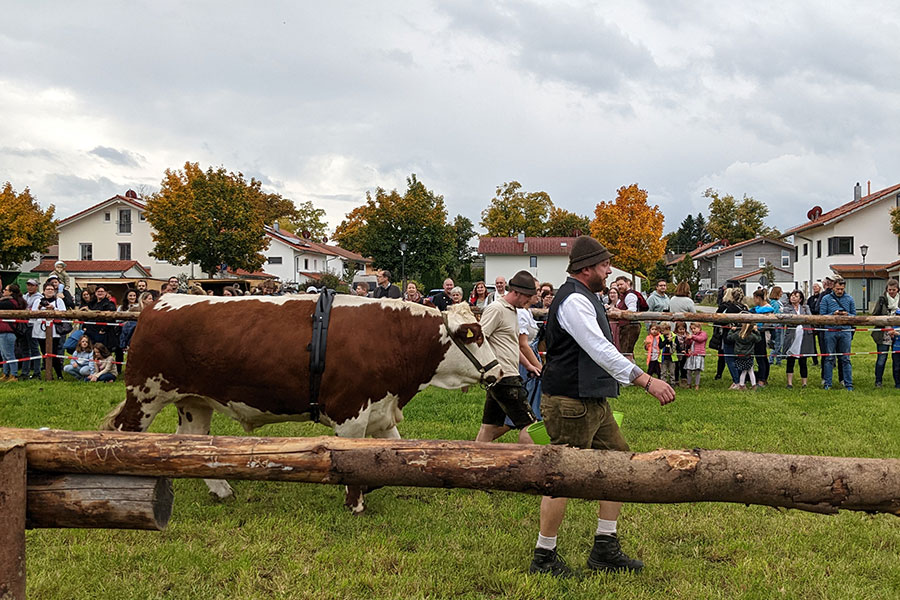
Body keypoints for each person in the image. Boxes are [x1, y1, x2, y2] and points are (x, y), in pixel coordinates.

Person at [530, 236, 674, 577]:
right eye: (605, 265)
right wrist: (646, 380)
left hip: (591, 401)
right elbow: (598, 348)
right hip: (569, 402)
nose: (609, 271)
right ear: (587, 268)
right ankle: (543, 557)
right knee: (561, 477)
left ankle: (605, 547)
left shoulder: (586, 297)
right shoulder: (574, 301)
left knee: (619, 466)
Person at [474, 271, 542, 444]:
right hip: (504, 378)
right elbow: (479, 338)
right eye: (527, 296)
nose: (529, 300)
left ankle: (474, 462)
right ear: (516, 292)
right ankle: (527, 468)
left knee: (488, 427)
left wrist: (528, 365)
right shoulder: (496, 309)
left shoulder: (513, 311)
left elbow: (511, 344)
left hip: (503, 376)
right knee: (530, 425)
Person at [819, 277, 856, 391]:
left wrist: (846, 315)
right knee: (829, 358)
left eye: (841, 289)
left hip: (845, 331)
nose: (840, 291)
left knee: (846, 358)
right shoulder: (826, 299)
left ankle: (848, 384)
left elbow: (854, 316)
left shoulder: (849, 299)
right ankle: (827, 383)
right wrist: (833, 314)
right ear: (833, 287)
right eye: (837, 289)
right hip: (830, 331)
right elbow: (822, 316)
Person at [31, 282, 66, 380]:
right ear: (44, 291)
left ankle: (59, 374)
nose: (50, 291)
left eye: (52, 289)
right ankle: (47, 373)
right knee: (44, 351)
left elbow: (63, 313)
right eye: (48, 289)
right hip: (40, 330)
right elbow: (33, 314)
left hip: (54, 330)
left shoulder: (58, 301)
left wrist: (53, 308)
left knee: (53, 352)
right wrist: (39, 307)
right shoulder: (38, 300)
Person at [870, 279, 899, 388]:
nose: (891, 292)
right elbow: (875, 315)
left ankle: (898, 383)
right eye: (889, 290)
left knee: (897, 360)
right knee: (882, 358)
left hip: (898, 332)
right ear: (886, 289)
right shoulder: (882, 300)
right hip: (884, 333)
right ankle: (878, 381)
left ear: (897, 290)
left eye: (894, 290)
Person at [782, 290, 814, 389]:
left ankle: (804, 383)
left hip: (804, 336)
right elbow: (789, 320)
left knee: (803, 361)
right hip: (792, 336)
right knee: (790, 360)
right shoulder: (787, 308)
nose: (793, 297)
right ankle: (789, 383)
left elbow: (809, 318)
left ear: (800, 299)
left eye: (796, 296)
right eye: (792, 296)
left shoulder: (805, 307)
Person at [0, 283, 26, 381]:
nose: (3, 291)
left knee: (9, 355)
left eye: (5, 290)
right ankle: (5, 373)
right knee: (4, 355)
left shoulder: (9, 303)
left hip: (7, 331)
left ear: (10, 292)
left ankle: (13, 374)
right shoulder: (10, 302)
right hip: (4, 331)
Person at [613, 276, 642, 362]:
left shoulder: (630, 295)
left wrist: (618, 312)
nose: (619, 287)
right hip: (625, 326)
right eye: (618, 285)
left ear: (627, 283)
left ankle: (631, 372)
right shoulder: (623, 296)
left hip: (630, 326)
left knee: (626, 352)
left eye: (621, 284)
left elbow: (632, 310)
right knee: (625, 350)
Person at [19, 279, 43, 380]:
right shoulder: (24, 296)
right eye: (28, 285)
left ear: (36, 286)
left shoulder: (39, 298)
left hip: (33, 324)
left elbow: (33, 310)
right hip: (24, 324)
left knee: (34, 349)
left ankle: (37, 372)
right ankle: (25, 371)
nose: (30, 287)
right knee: (25, 349)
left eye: (32, 285)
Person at [729, 323, 761, 390]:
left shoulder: (737, 334)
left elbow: (729, 337)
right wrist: (757, 331)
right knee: (750, 370)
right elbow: (759, 339)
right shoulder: (752, 336)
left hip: (740, 355)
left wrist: (732, 330)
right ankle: (753, 385)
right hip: (748, 355)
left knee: (744, 370)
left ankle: (741, 385)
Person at [684, 322, 708, 390]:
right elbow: (688, 343)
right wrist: (688, 339)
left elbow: (700, 339)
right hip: (691, 355)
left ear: (699, 328)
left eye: (694, 328)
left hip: (698, 355)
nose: (693, 330)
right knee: (688, 370)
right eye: (691, 329)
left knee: (697, 371)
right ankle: (689, 384)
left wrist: (692, 336)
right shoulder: (692, 335)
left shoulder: (703, 334)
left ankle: (697, 385)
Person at [768, 286, 785, 366]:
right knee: (778, 344)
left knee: (780, 343)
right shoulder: (774, 303)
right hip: (777, 325)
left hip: (781, 324)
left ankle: (778, 360)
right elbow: (776, 313)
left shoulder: (778, 301)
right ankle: (771, 359)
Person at [672, 320, 689, 387]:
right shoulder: (674, 336)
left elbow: (688, 344)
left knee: (683, 366)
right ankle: (676, 380)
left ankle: (684, 378)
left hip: (684, 353)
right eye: (680, 329)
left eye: (683, 329)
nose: (682, 331)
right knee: (676, 367)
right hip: (677, 353)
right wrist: (680, 350)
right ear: (677, 329)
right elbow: (676, 344)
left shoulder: (687, 336)